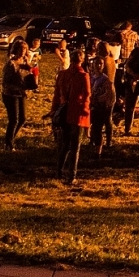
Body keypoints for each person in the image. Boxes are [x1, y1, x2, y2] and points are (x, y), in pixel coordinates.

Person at [51, 47, 92, 184]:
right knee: (75, 147)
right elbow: (87, 96)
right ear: (82, 60)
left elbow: (56, 94)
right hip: (77, 113)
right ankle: (71, 175)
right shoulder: (83, 75)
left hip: (63, 111)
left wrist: (54, 110)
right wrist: (87, 114)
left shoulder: (63, 74)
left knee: (63, 145)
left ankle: (58, 171)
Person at [1, 40, 30, 151]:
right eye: (21, 49)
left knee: (22, 118)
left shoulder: (25, 61)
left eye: (25, 49)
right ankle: (8, 145)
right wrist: (17, 87)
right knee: (14, 119)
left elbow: (27, 76)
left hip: (21, 93)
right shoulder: (11, 63)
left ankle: (11, 138)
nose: (23, 51)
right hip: (10, 94)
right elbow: (5, 83)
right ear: (16, 49)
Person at [89, 59, 116, 155]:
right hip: (94, 104)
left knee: (103, 124)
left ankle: (105, 144)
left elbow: (108, 93)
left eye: (100, 64)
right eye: (96, 63)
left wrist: (98, 99)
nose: (98, 66)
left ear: (103, 66)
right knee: (94, 125)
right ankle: (92, 141)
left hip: (103, 105)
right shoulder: (92, 77)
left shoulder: (105, 79)